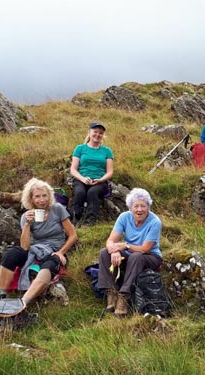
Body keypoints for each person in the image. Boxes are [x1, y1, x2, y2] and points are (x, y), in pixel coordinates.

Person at [0, 178, 77, 306]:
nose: (42, 200)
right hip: (35, 249)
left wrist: (61, 252)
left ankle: (23, 302)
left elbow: (72, 235)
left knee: (49, 266)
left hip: (55, 251)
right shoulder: (26, 216)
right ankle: (0, 296)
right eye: (37, 196)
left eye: (44, 196)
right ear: (31, 199)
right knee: (12, 254)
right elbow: (25, 247)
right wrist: (27, 224)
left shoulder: (57, 209)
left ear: (49, 196)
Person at [97, 188, 163, 317]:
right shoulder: (124, 217)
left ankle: (124, 296)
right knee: (104, 253)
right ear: (130, 207)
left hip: (150, 257)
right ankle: (111, 293)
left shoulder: (155, 222)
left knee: (136, 256)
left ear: (148, 207)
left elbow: (145, 249)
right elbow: (110, 240)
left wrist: (124, 246)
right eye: (136, 206)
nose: (139, 210)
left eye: (143, 206)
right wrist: (114, 250)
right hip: (130, 253)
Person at [70, 121, 114, 225]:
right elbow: (73, 169)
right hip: (81, 179)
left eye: (100, 133)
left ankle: (91, 221)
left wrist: (101, 179)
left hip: (100, 181)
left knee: (92, 192)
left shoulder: (107, 151)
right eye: (95, 132)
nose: (97, 135)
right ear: (89, 132)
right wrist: (82, 179)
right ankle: (75, 218)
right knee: (80, 192)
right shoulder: (80, 148)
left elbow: (110, 172)